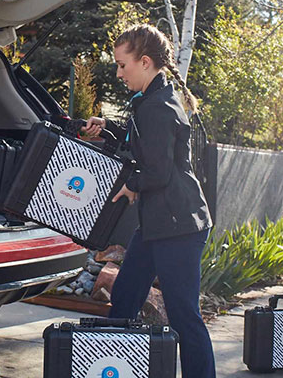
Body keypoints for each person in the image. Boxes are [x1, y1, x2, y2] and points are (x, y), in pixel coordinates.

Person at [83, 24, 215, 378]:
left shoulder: (158, 106)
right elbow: (140, 140)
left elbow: (157, 172)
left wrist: (130, 186)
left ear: (144, 62)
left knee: (183, 314)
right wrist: (108, 126)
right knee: (125, 296)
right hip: (159, 223)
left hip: (178, 226)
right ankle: (114, 368)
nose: (118, 72)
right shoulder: (153, 99)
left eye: (122, 65)